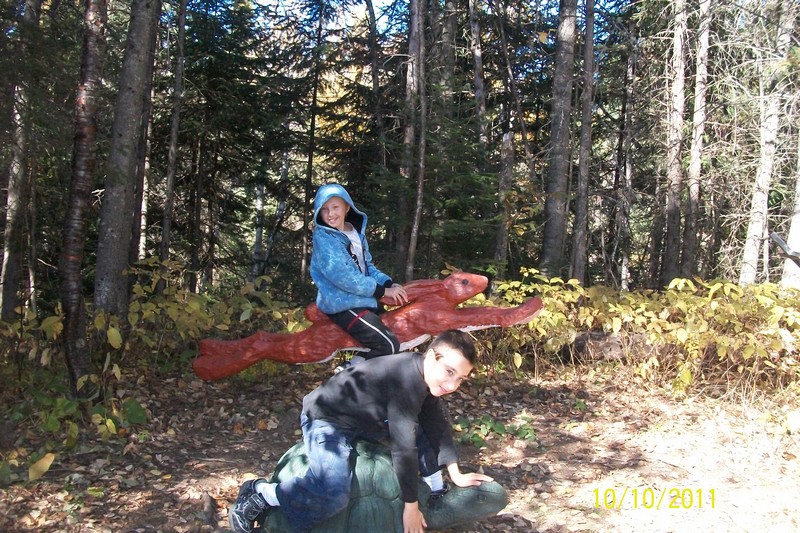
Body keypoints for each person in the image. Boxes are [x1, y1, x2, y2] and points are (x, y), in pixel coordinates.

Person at [228, 329, 493, 533]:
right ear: (432, 356)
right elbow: (404, 448)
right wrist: (410, 506)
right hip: (327, 418)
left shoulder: (423, 374)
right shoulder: (405, 379)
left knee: (424, 426)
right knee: (332, 492)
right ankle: (261, 494)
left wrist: (455, 473)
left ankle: (436, 491)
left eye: (460, 378)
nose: (452, 385)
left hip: (365, 420)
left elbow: (435, 423)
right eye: (449, 372)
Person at [309, 183, 408, 371]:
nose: (330, 214)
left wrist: (388, 283)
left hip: (362, 299)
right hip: (342, 304)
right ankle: (349, 373)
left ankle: (360, 371)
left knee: (397, 332)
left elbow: (367, 267)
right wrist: (382, 291)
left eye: (335, 207)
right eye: (324, 209)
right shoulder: (324, 239)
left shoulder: (354, 233)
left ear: (347, 207)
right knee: (388, 345)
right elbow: (344, 277)